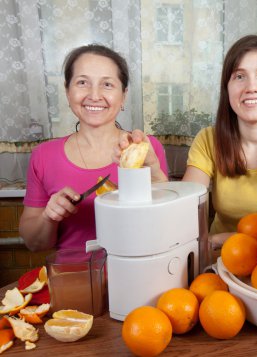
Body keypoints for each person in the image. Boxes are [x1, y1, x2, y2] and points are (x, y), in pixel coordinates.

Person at [114, 35, 257, 246]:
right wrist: (154, 172)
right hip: (218, 259)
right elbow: (184, 211)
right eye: (239, 76)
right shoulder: (208, 139)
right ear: (227, 89)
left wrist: (223, 239)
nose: (251, 86)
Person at [19, 44, 168, 252]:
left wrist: (155, 177)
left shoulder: (146, 149)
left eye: (107, 84)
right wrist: (49, 217)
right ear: (67, 91)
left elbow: (168, 231)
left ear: (123, 95)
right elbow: (35, 244)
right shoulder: (43, 156)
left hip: (138, 275)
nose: (94, 95)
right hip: (71, 278)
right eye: (82, 82)